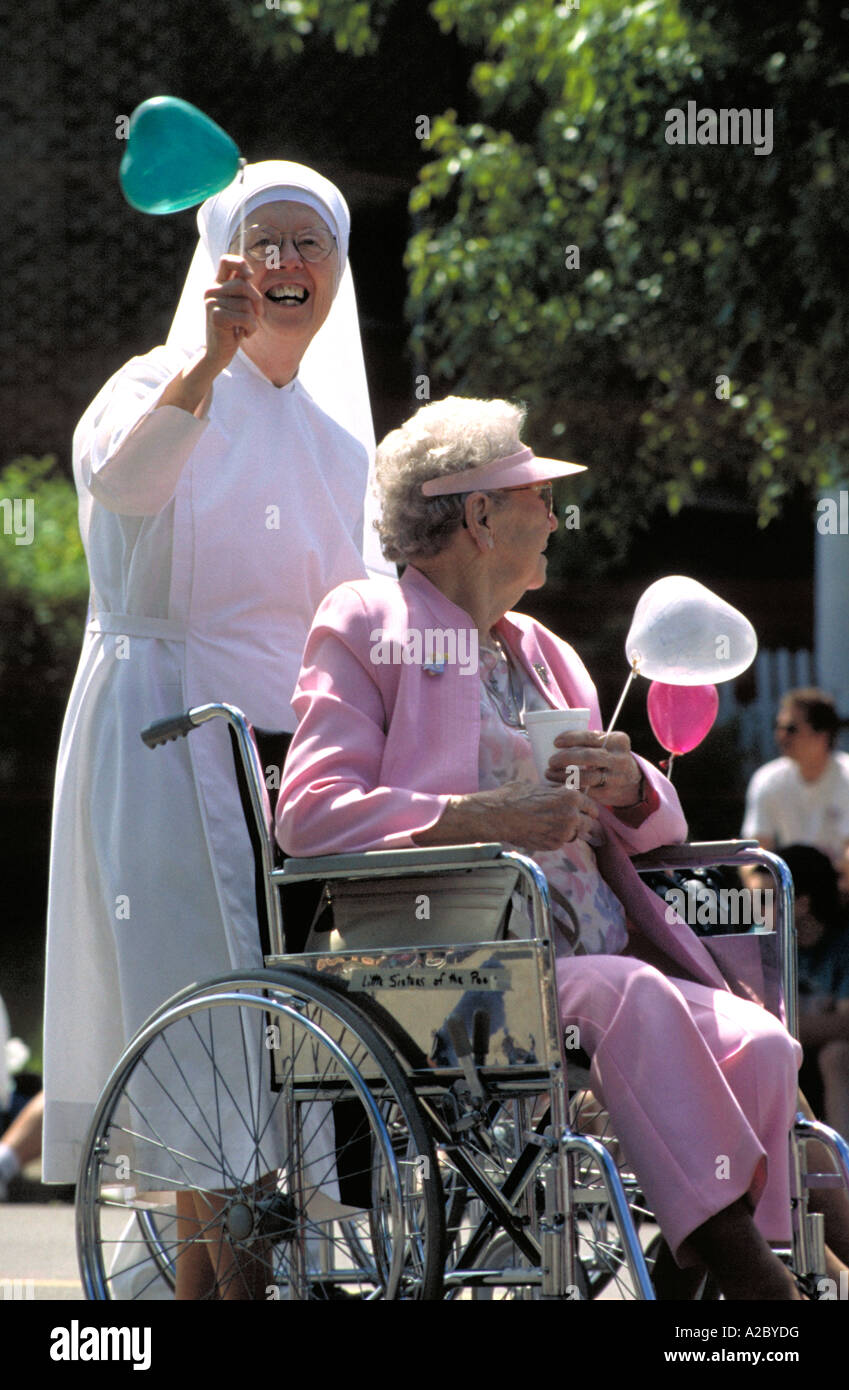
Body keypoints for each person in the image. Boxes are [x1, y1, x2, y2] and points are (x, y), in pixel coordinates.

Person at [277, 395, 808, 1300]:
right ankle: (758, 1290)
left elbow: (655, 836)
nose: (554, 516)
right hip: (446, 956)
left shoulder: (546, 653)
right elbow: (312, 813)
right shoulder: (367, 621)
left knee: (760, 1043)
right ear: (478, 515)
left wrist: (630, 785)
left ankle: (708, 1310)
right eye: (535, 493)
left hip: (583, 952)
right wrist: (488, 814)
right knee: (632, 992)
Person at [42, 162, 389, 1283]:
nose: (287, 265)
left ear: (337, 268)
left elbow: (357, 610)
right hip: (162, 735)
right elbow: (127, 486)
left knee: (274, 1049)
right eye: (264, 242)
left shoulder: (341, 439)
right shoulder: (151, 377)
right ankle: (220, 1277)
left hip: (290, 763)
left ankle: (217, 1283)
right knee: (202, 1026)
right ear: (223, 261)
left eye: (310, 244)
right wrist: (205, 362)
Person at [751, 846, 849, 1141]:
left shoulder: (842, 945)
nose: (752, 907)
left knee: (837, 1055)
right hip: (790, 1048)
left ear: (801, 903)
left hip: (827, 1054)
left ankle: (841, 1172)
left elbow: (844, 1024)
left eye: (764, 899)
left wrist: (779, 1029)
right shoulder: (760, 938)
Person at [742, 688, 849, 869]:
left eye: (790, 729)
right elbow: (755, 850)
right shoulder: (768, 779)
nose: (780, 735)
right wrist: (759, 884)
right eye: (778, 727)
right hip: (789, 887)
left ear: (821, 735)